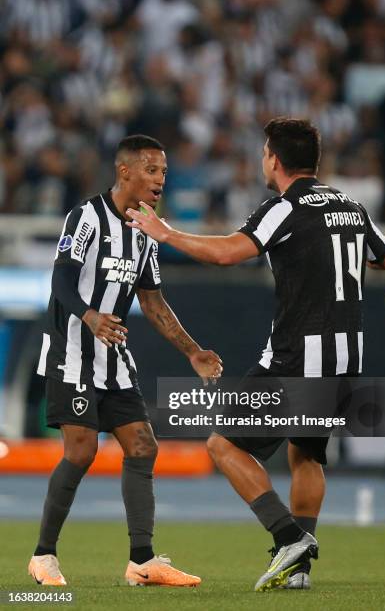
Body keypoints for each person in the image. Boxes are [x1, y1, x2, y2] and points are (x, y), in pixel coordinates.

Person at [126, 118, 385, 591]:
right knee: (306, 456)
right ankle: (300, 570)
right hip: (346, 358)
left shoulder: (283, 207)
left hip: (296, 357)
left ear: (274, 159)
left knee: (222, 444)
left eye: (263, 153)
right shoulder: (350, 207)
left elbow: (231, 252)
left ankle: (288, 536)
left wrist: (165, 234)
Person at [29, 134, 222, 587]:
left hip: (113, 358)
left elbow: (154, 302)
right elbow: (59, 283)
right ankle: (43, 556)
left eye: (164, 174)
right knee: (81, 451)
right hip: (71, 351)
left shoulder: (147, 230)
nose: (160, 181)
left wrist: (191, 349)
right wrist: (91, 315)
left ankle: (142, 562)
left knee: (143, 446)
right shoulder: (87, 218)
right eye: (152, 171)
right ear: (125, 171)